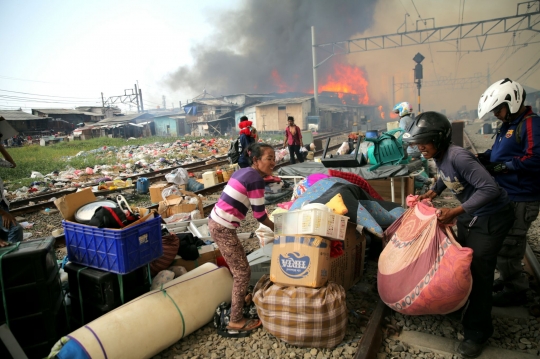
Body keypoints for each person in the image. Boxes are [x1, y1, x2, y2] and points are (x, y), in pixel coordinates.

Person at [404, 111, 514, 358]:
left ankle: (478, 332)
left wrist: (455, 210)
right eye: (417, 141)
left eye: (425, 141)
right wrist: (431, 194)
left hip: (493, 217)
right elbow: (445, 177)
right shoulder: (439, 155)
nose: (420, 147)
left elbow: (490, 189)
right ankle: (462, 302)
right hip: (473, 215)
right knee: (459, 264)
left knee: (479, 271)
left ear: (440, 139)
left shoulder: (458, 156)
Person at [476, 78, 540, 307]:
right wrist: (485, 158)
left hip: (521, 197)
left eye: (497, 109)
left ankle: (515, 290)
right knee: (502, 242)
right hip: (508, 196)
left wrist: (503, 167)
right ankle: (507, 279)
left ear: (511, 102)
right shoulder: (508, 126)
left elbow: (535, 158)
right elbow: (498, 152)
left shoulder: (531, 124)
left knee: (510, 245)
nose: (495, 114)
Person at [208, 142, 275, 335]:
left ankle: (241, 297)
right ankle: (235, 320)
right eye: (269, 158)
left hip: (217, 221)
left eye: (274, 157)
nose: (273, 162)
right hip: (223, 228)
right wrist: (277, 228)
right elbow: (260, 215)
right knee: (242, 272)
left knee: (240, 266)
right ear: (256, 160)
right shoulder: (256, 180)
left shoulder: (244, 171)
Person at [0, 130, 23, 247]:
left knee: (4, 236)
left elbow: (12, 164)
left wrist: (1, 148)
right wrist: (3, 213)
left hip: (2, 203)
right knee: (15, 230)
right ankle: (12, 261)